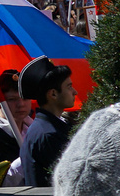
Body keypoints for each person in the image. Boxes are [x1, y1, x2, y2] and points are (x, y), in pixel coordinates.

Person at [10, 57, 78, 187]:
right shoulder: (49, 134)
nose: (75, 92)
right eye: (69, 87)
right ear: (53, 94)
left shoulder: (45, 127)